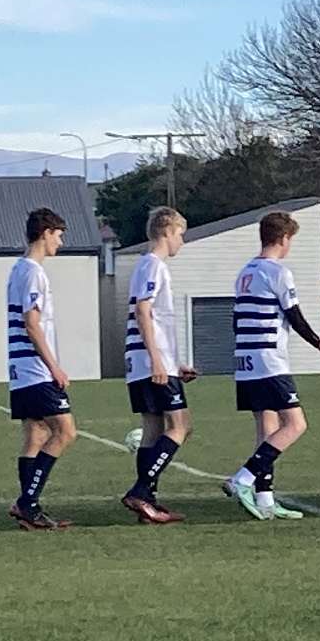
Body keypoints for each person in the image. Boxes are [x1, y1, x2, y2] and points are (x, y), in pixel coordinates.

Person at [225, 211, 320, 520]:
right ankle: (242, 479)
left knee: (266, 428)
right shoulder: (278, 272)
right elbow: (294, 316)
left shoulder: (245, 272)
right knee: (295, 424)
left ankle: (265, 498)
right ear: (284, 238)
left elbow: (236, 320)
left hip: (245, 360)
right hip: (269, 360)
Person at [120, 206, 195, 525]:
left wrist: (174, 363)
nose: (182, 241)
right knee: (181, 425)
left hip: (143, 361)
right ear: (167, 231)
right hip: (150, 361)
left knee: (152, 429)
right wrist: (157, 361)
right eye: (180, 234)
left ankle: (147, 502)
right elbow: (143, 311)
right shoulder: (153, 265)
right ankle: (140, 491)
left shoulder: (144, 265)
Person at [5, 208, 77, 531]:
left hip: (19, 369)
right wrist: (54, 367)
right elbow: (32, 324)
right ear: (45, 233)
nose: (60, 243)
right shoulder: (34, 272)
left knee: (36, 435)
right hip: (35, 370)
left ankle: (30, 510)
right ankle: (27, 503)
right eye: (58, 236)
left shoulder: (17, 269)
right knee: (65, 432)